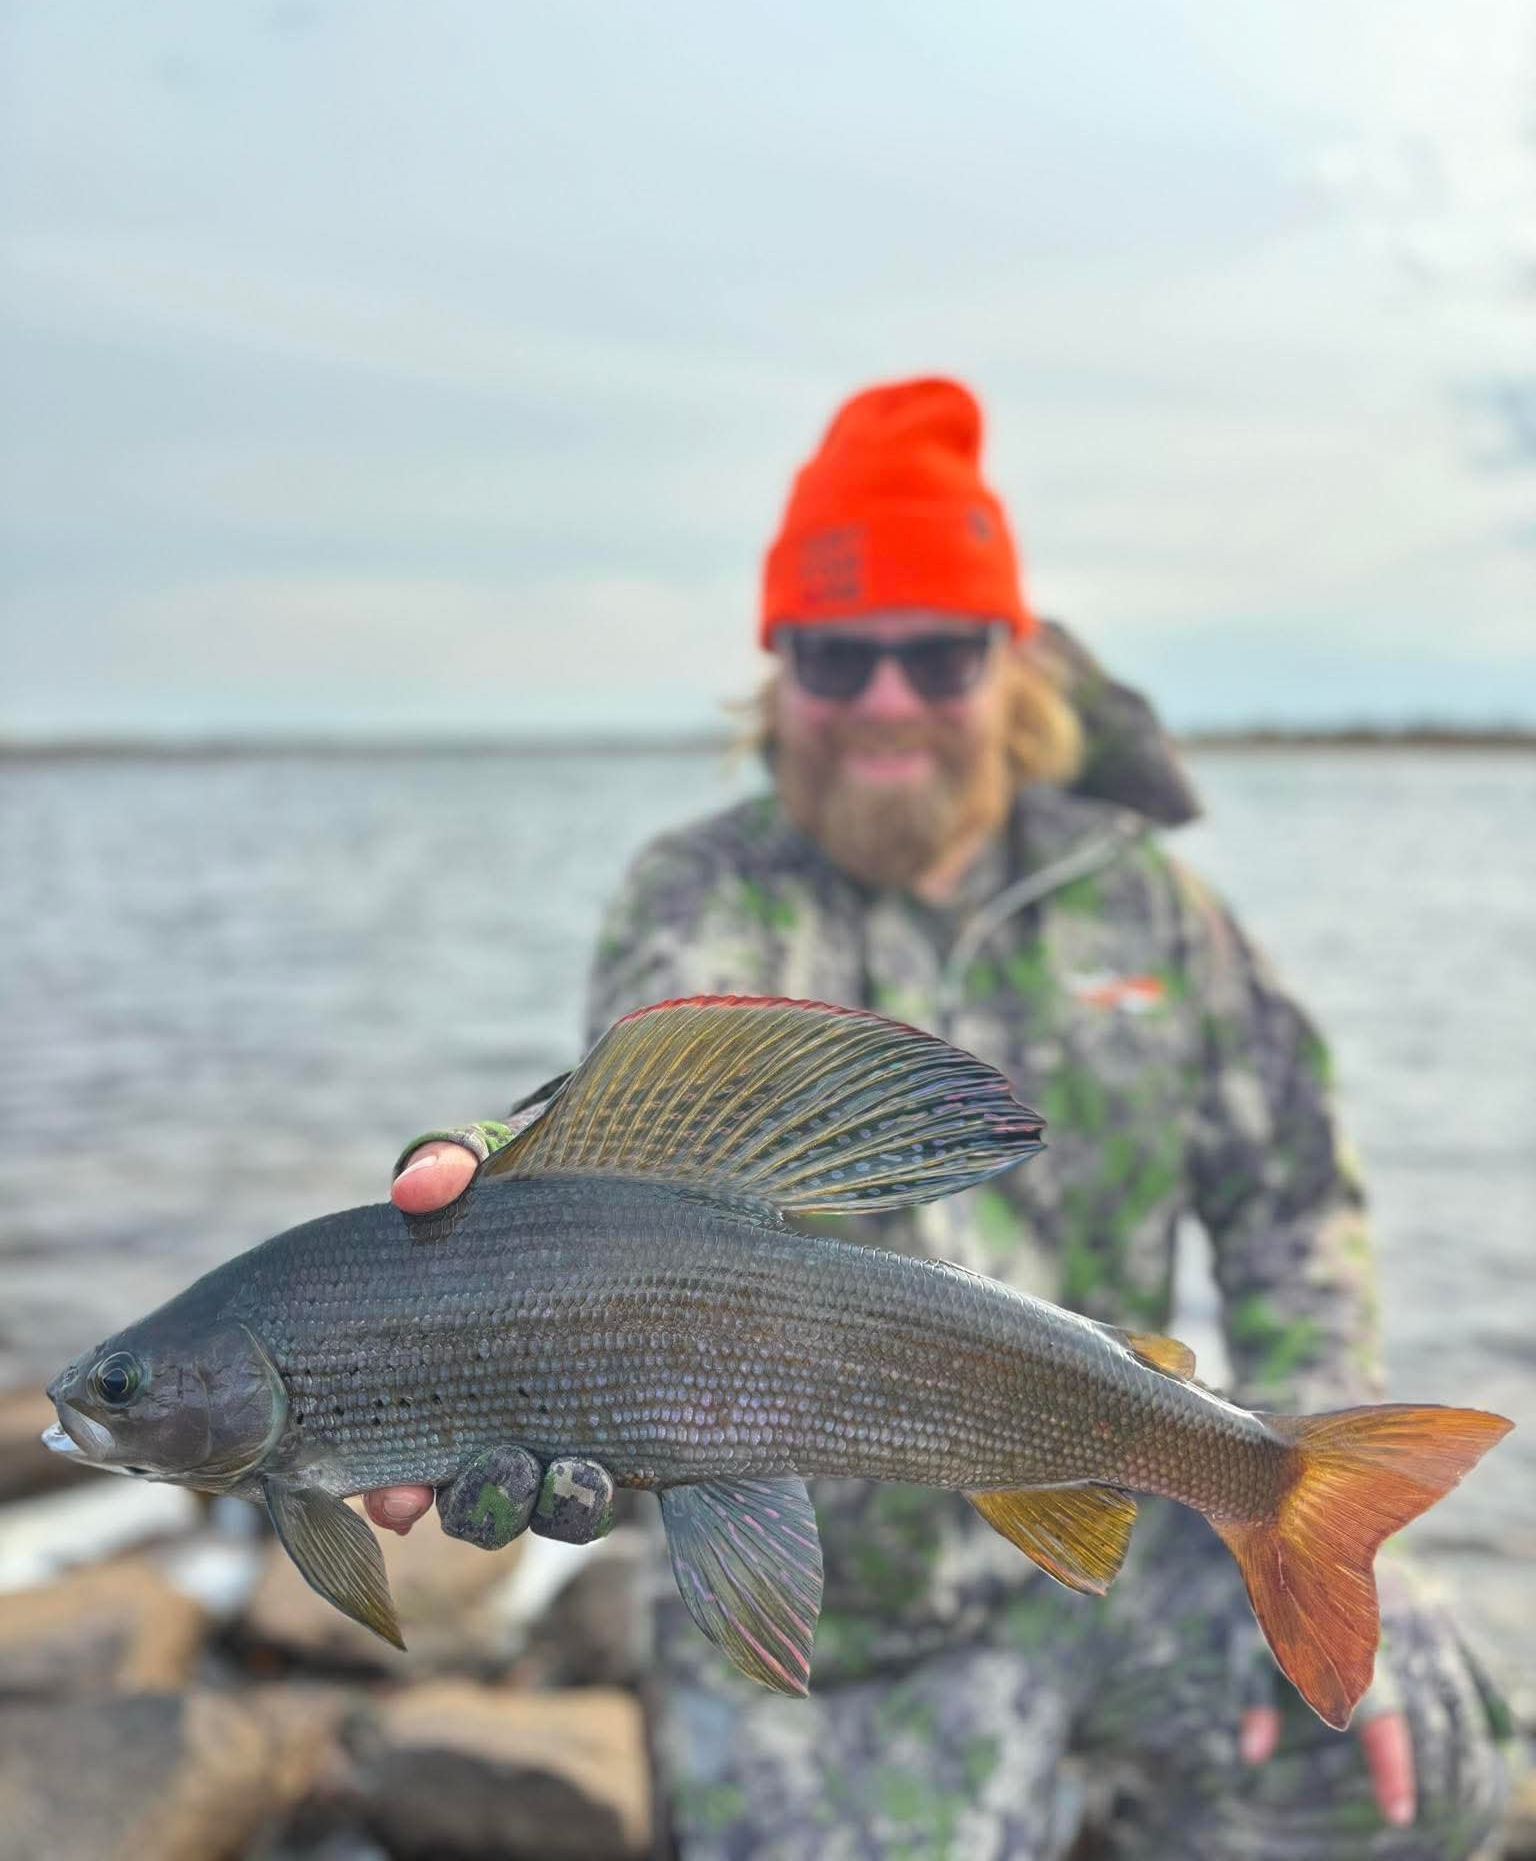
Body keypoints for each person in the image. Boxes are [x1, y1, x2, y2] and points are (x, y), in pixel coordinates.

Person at [368, 379, 1510, 1859]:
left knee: (1422, 1767)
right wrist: (500, 1177)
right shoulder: (706, 896)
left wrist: (1341, 1494)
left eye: (935, 650)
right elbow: (648, 1096)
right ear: (779, 674)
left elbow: (1290, 1196)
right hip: (851, 1612)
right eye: (839, 657)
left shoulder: (1143, 900)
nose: (888, 700)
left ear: (1011, 662)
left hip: (1128, 1523)